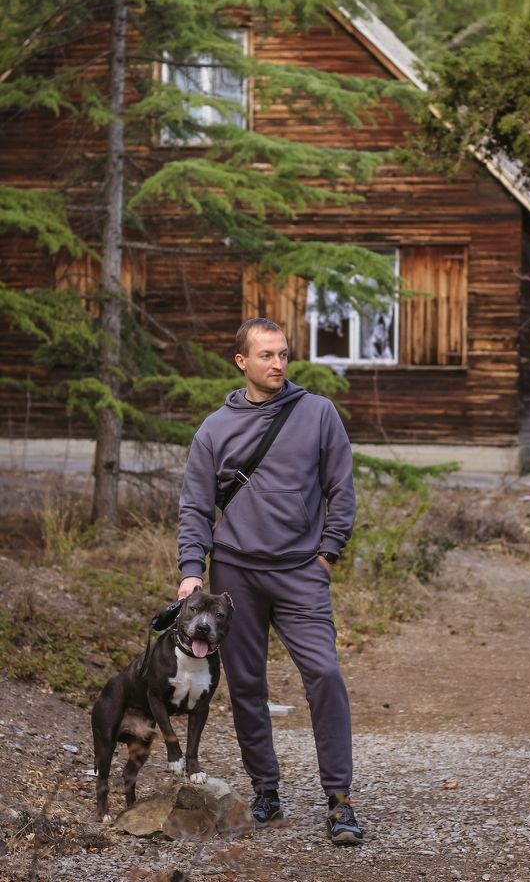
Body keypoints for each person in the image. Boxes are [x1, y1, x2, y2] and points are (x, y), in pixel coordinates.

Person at [177, 317, 363, 846]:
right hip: (235, 575)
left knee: (324, 674)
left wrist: (327, 555)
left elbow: (341, 489)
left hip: (302, 572)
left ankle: (340, 800)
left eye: (283, 354)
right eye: (266, 355)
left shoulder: (318, 413)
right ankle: (266, 789)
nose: (278, 364)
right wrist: (191, 571)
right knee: (246, 685)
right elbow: (195, 507)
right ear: (242, 362)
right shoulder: (215, 429)